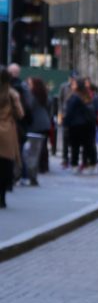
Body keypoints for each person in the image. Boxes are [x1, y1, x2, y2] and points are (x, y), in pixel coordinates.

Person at [0, 68, 24, 209]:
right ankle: (2, 197)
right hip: (7, 131)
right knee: (5, 165)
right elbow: (20, 113)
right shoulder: (12, 94)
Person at [64, 78, 97, 173]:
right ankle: (91, 164)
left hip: (76, 125)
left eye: (74, 84)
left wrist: (66, 123)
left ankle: (75, 164)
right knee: (88, 145)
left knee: (75, 146)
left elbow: (69, 111)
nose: (71, 86)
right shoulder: (86, 96)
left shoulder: (74, 97)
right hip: (87, 124)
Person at [26, 76, 52, 180]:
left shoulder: (32, 95)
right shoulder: (45, 95)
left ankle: (36, 166)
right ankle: (44, 165)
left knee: (35, 146)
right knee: (44, 145)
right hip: (45, 122)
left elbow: (30, 107)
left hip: (36, 123)